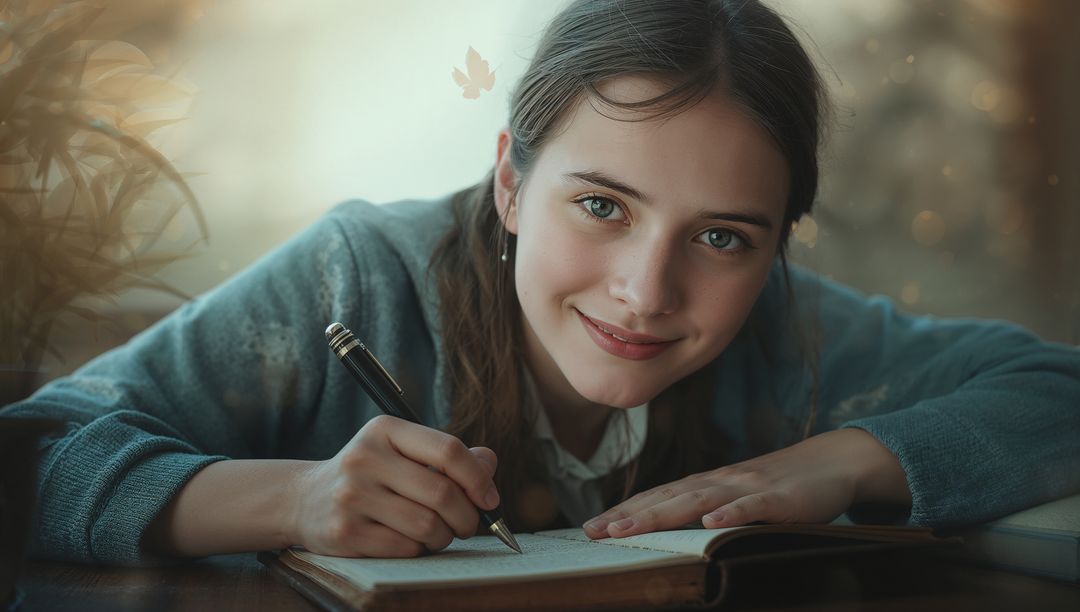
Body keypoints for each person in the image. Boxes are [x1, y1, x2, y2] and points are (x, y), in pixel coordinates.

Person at [3, 0, 1079, 566]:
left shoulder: (789, 333)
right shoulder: (358, 278)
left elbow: (1057, 388)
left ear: (779, 242)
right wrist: (295, 498)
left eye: (723, 239)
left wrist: (846, 461)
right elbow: (33, 453)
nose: (646, 292)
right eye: (602, 207)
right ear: (511, 180)